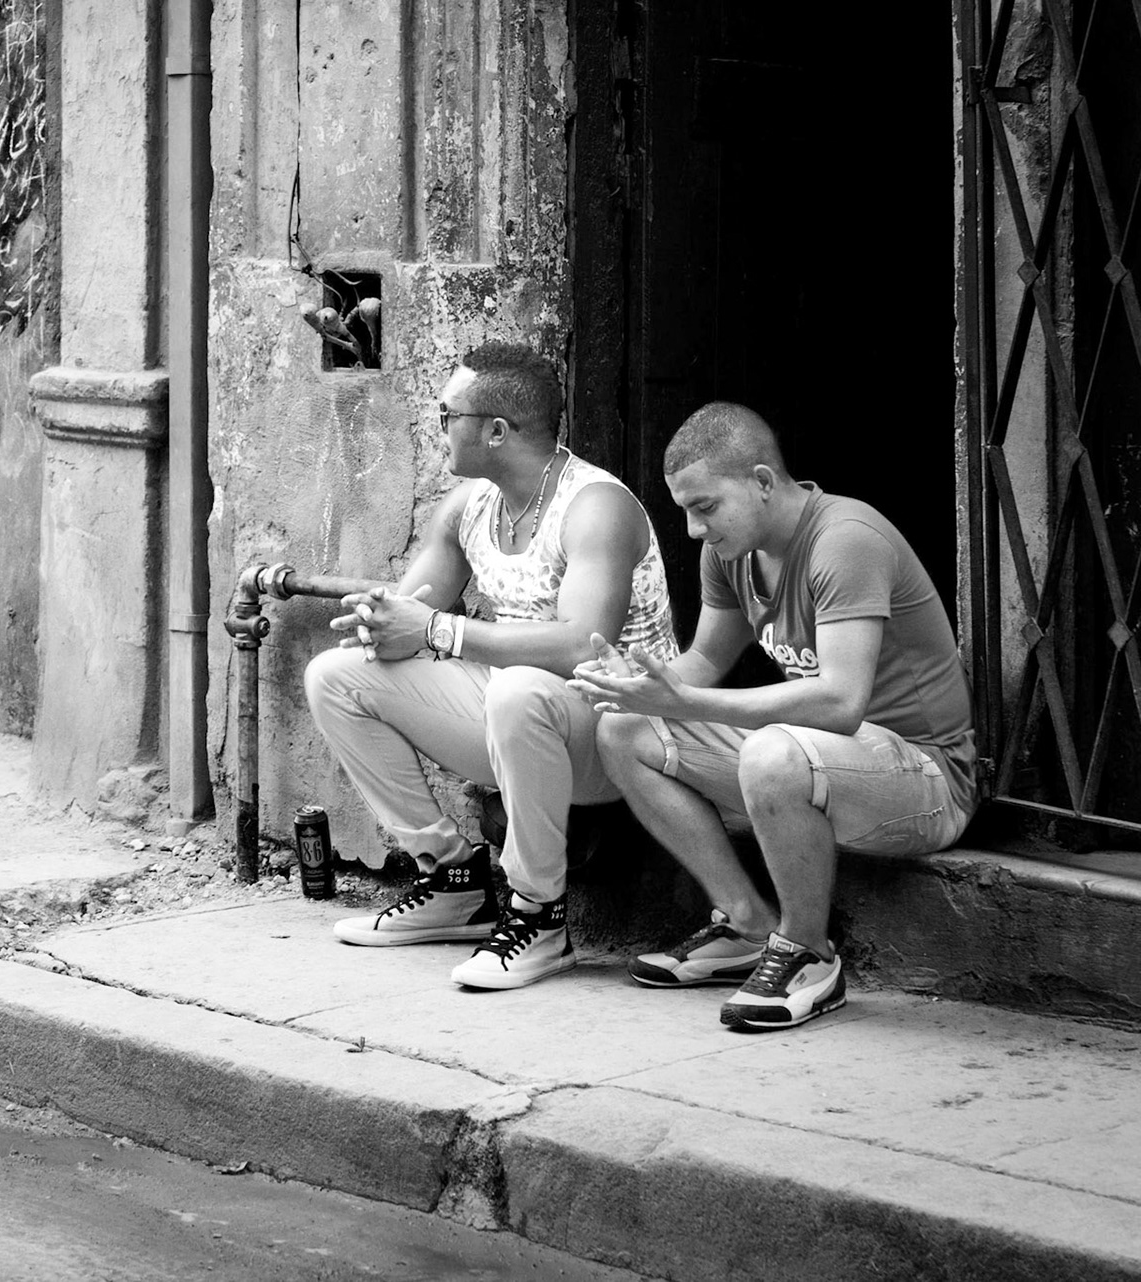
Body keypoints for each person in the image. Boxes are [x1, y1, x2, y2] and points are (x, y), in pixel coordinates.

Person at [570, 402, 975, 1032]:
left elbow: (841, 702)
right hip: (824, 761)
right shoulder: (732, 552)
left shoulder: (846, 539)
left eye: (706, 507)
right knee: (623, 730)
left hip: (923, 777)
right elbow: (705, 658)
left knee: (774, 751)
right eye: (684, 510)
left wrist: (688, 702)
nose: (694, 529)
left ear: (762, 481)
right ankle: (747, 925)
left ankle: (809, 953)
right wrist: (641, 687)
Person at [304, 341, 678, 989]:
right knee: (337, 677)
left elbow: (581, 644)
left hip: (617, 732)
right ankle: (452, 880)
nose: (439, 426)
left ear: (497, 431)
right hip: (517, 720)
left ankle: (539, 919)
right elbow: (413, 616)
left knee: (520, 692)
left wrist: (437, 630)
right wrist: (381, 624)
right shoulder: (470, 507)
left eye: (449, 414)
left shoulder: (595, 507)